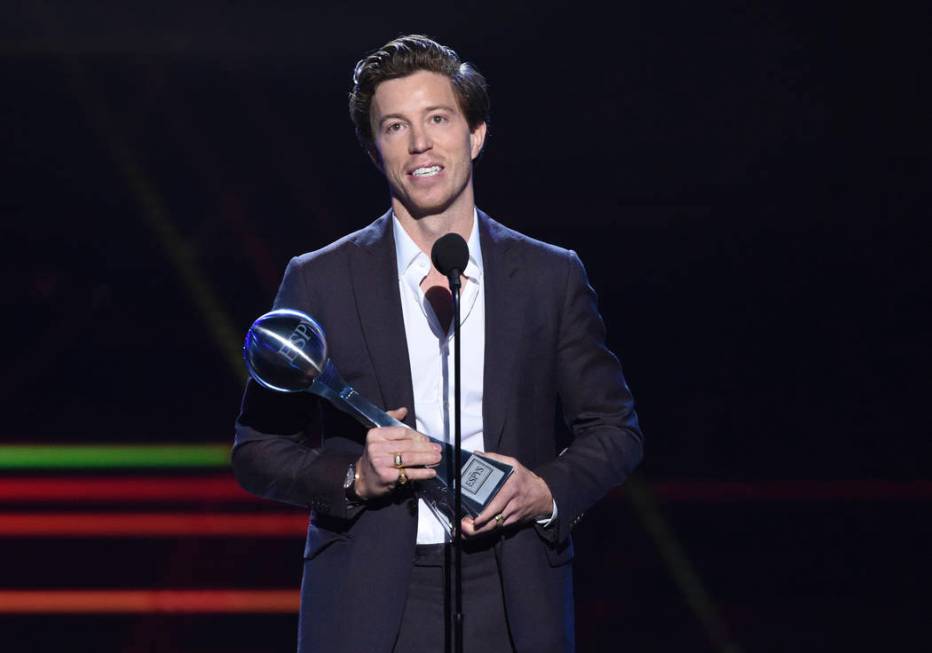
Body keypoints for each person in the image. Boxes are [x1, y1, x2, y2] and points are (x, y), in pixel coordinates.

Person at [232, 34, 644, 653]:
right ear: (375, 150)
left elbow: (615, 430)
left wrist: (545, 490)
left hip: (514, 589)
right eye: (395, 126)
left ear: (475, 135)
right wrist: (353, 478)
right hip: (368, 597)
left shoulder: (549, 276)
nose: (419, 142)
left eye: (438, 118)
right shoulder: (318, 278)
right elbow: (257, 451)